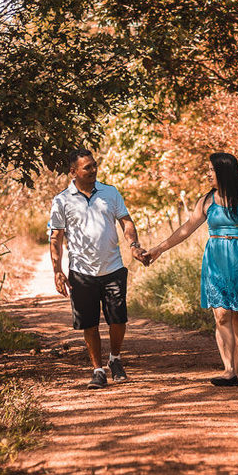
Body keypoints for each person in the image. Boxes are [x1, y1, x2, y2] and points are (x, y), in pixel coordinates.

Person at [143, 152, 238, 386]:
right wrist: (159, 249)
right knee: (221, 315)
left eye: (211, 170)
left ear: (223, 171)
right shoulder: (207, 201)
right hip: (216, 261)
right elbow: (186, 229)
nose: (208, 174)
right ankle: (229, 370)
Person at [49, 149, 148, 388]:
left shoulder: (110, 193)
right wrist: (57, 270)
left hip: (113, 267)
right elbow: (56, 238)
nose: (94, 171)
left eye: (94, 166)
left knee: (118, 319)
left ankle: (115, 358)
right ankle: (98, 370)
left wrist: (133, 246)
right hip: (82, 274)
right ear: (73, 172)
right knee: (89, 323)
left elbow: (126, 221)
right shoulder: (62, 200)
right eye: (88, 168)